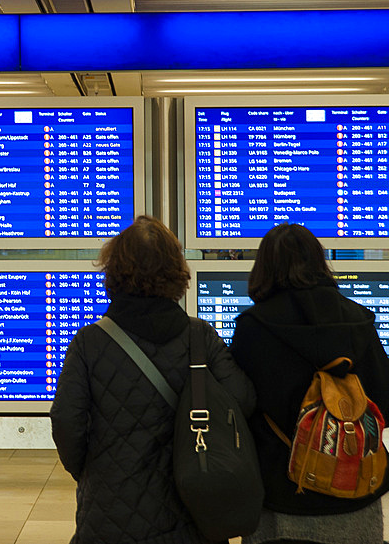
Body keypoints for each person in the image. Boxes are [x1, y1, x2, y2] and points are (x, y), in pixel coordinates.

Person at [50, 215, 256, 544]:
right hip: (191, 511)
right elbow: (241, 401)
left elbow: (66, 421)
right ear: (176, 271)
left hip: (109, 515)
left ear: (113, 270)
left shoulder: (90, 342)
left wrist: (92, 472)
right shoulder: (199, 337)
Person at [230, 223, 389, 544]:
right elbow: (388, 407)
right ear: (319, 263)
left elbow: (239, 407)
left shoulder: (254, 328)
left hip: (282, 493)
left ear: (263, 268)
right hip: (356, 488)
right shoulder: (358, 319)